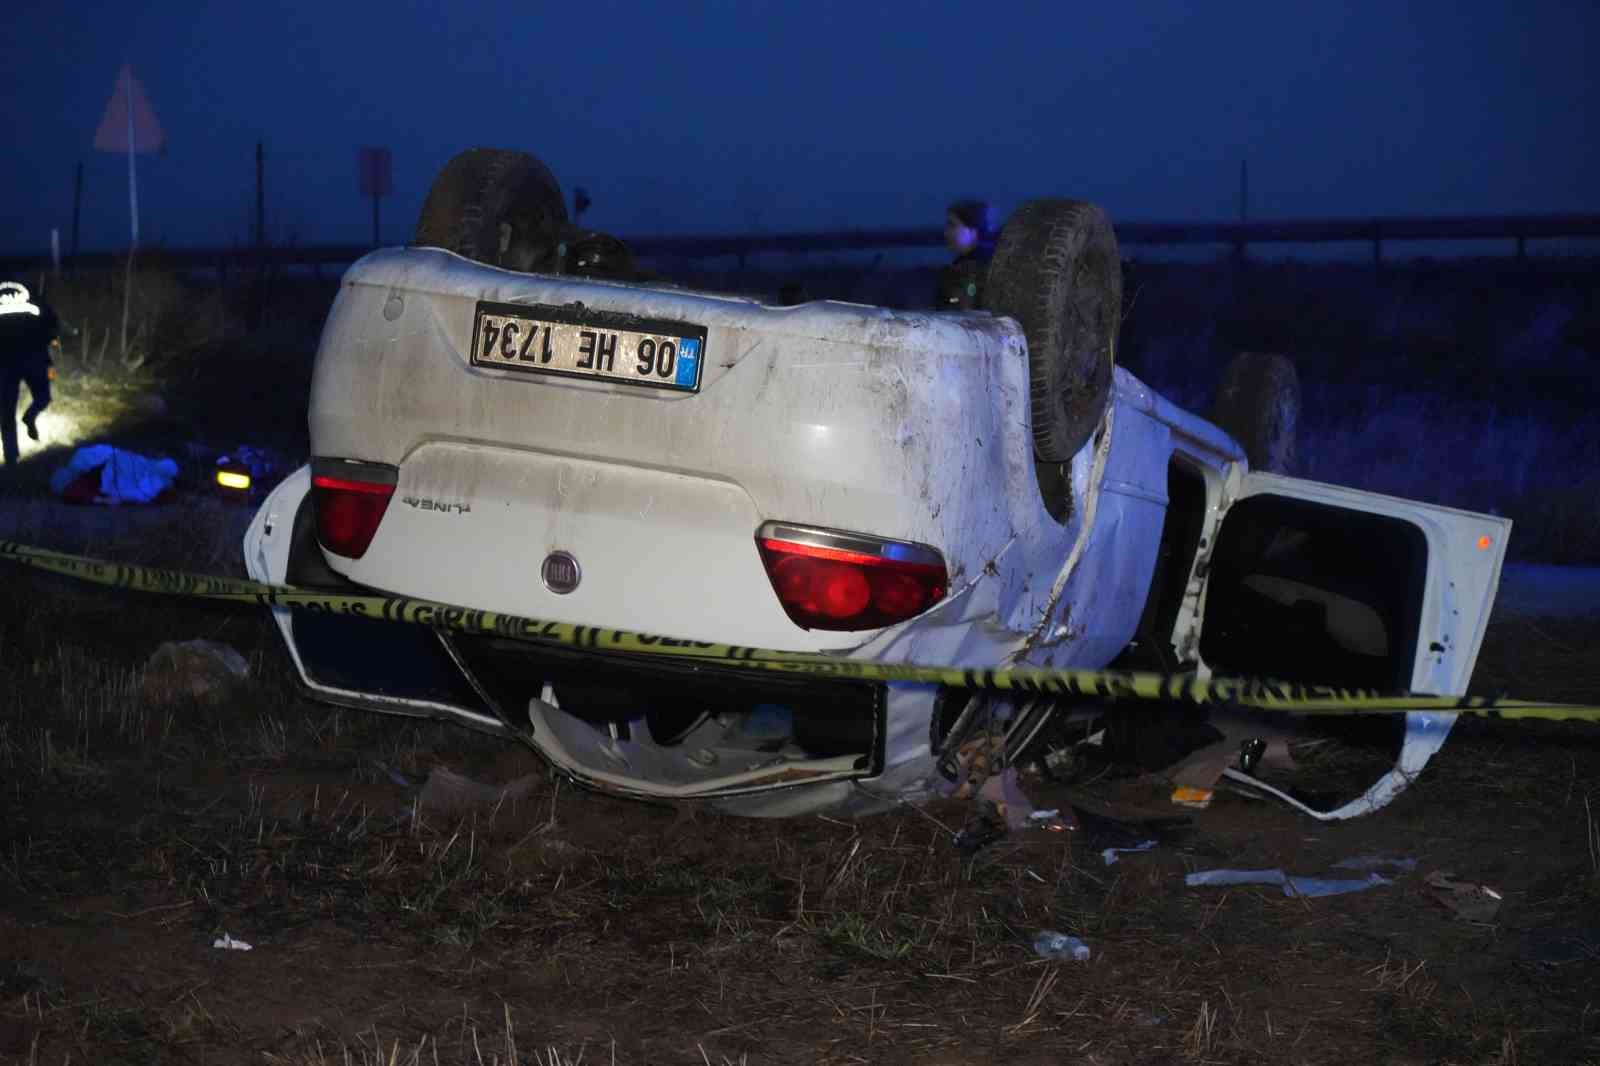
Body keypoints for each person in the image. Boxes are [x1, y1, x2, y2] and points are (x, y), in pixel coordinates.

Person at [0, 280, 60, 467]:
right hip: (27, 360)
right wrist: (51, 339)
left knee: (9, 411)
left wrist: (50, 337)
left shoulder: (33, 295)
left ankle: (13, 454)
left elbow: (51, 321)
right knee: (40, 399)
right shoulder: (32, 292)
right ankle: (12, 457)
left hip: (17, 361)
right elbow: (52, 322)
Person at [935, 199, 995, 311]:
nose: (946, 232)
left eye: (952, 226)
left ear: (973, 231)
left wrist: (954, 299)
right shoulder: (964, 264)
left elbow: (966, 304)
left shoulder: (976, 266)